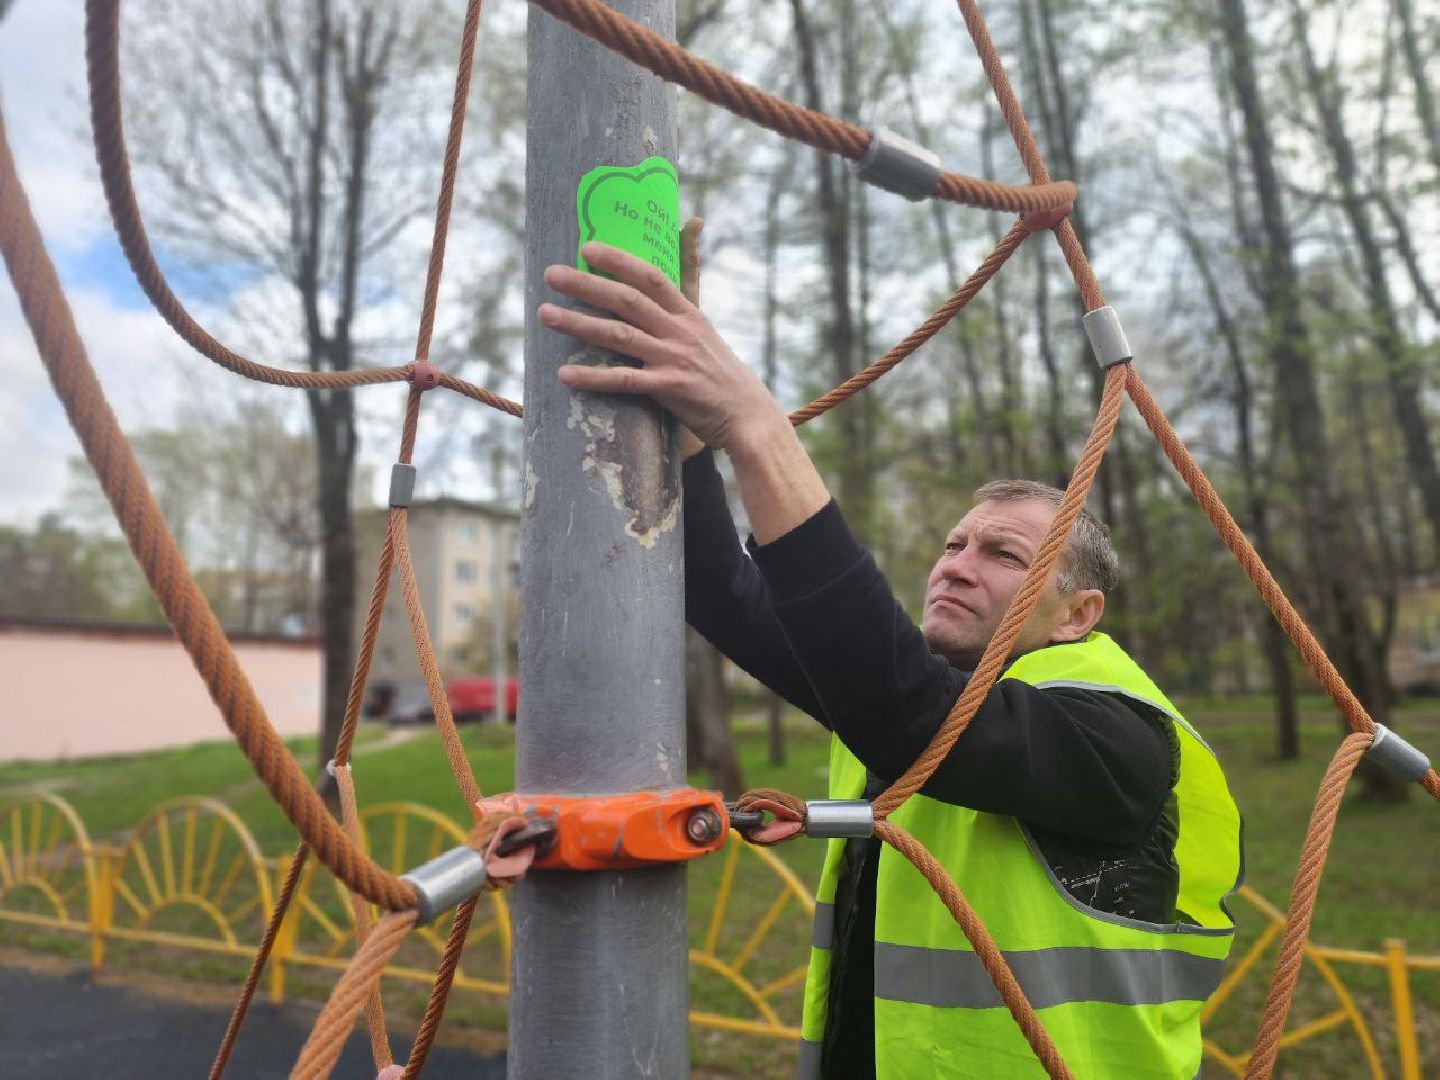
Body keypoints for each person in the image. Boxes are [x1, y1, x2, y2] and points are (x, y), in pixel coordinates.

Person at [538, 234, 1243, 1079]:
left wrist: (755, 427)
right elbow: (727, 593)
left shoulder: (1118, 734)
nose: (957, 565)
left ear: (1077, 614)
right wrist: (683, 418)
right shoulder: (909, 689)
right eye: (954, 544)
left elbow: (914, 718)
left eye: (1004, 555)